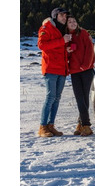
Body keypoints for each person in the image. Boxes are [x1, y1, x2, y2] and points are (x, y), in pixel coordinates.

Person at [37, 7, 72, 137]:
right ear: (55, 16)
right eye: (62, 15)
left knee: (57, 98)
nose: (64, 17)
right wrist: (61, 41)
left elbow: (59, 48)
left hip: (62, 69)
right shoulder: (47, 27)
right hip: (51, 68)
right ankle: (42, 127)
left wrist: (67, 50)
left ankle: (51, 126)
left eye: (65, 15)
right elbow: (41, 45)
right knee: (50, 97)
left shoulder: (63, 30)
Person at [66, 15, 95, 136]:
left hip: (86, 70)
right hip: (74, 72)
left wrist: (85, 65)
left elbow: (90, 50)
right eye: (70, 22)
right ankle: (82, 124)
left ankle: (86, 125)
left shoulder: (83, 33)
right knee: (80, 99)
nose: (73, 23)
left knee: (83, 98)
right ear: (66, 25)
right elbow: (66, 56)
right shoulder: (67, 37)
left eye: (74, 21)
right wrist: (67, 51)